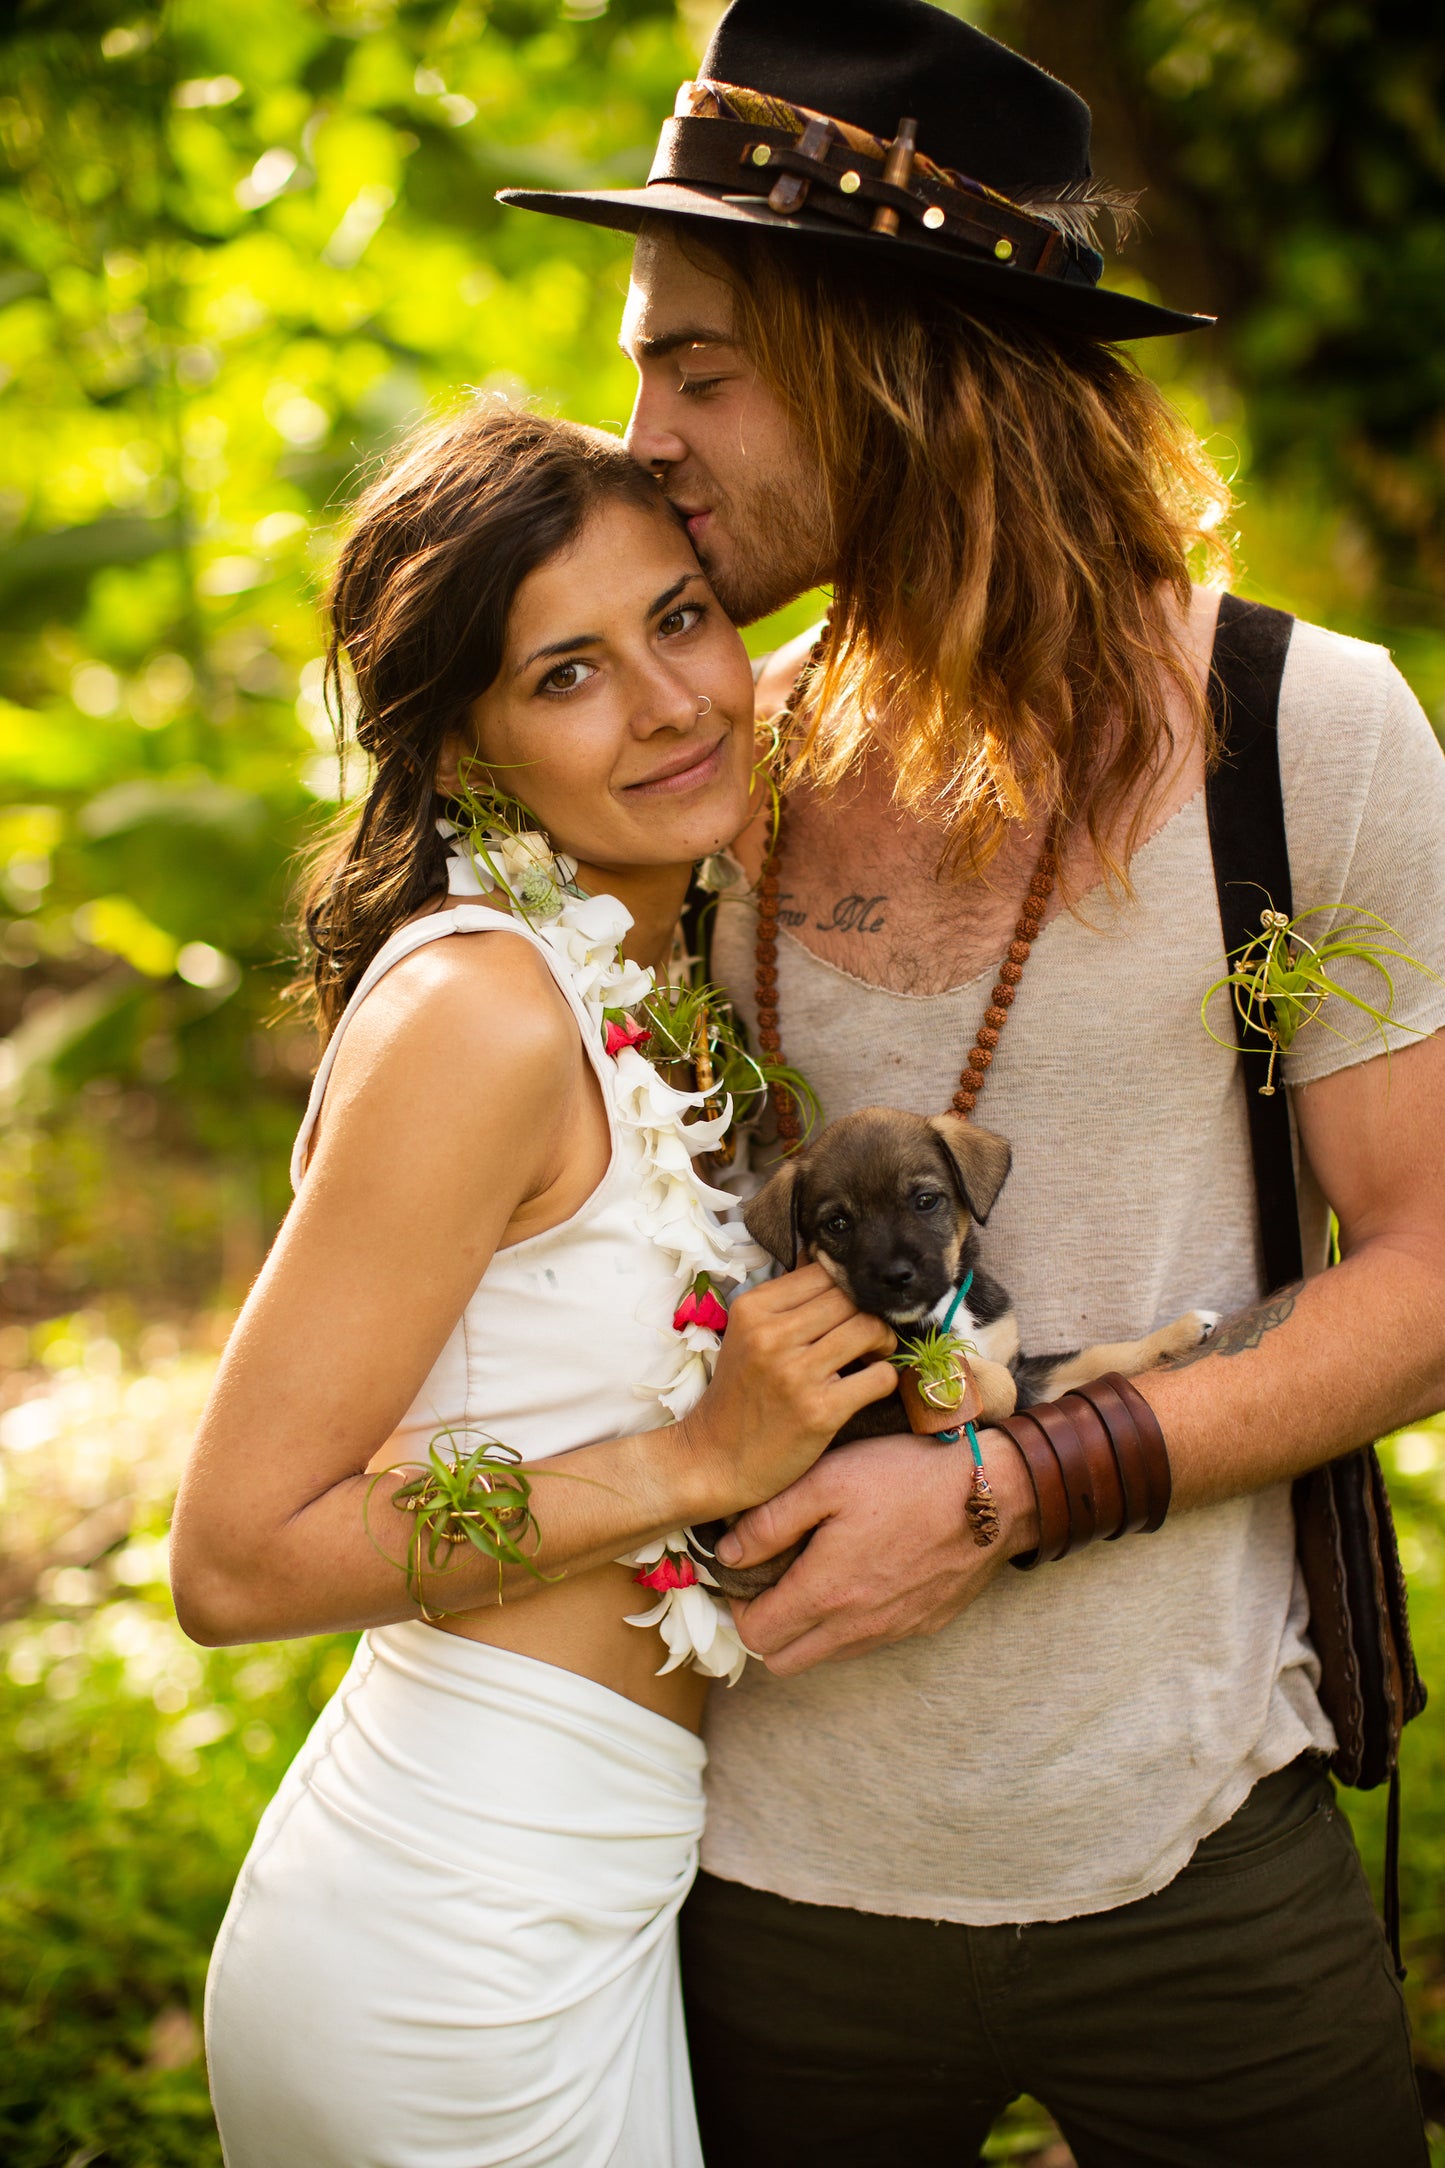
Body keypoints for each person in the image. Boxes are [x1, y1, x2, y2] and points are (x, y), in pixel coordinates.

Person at [500, 2, 1445, 2160]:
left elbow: (1431, 1267)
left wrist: (1012, 1487)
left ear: (905, 365)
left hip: (1198, 1846)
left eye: (699, 371)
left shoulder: (1303, 731)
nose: (638, 440)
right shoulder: (686, 769)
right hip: (742, 1868)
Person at [169, 401, 898, 2167]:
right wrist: (691, 1462)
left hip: (594, 1896)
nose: (669, 702)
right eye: (565, 673)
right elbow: (235, 1557)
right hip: (453, 1950)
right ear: (467, 750)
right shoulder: (484, 1011)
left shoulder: (642, 981)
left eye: (679, 619)